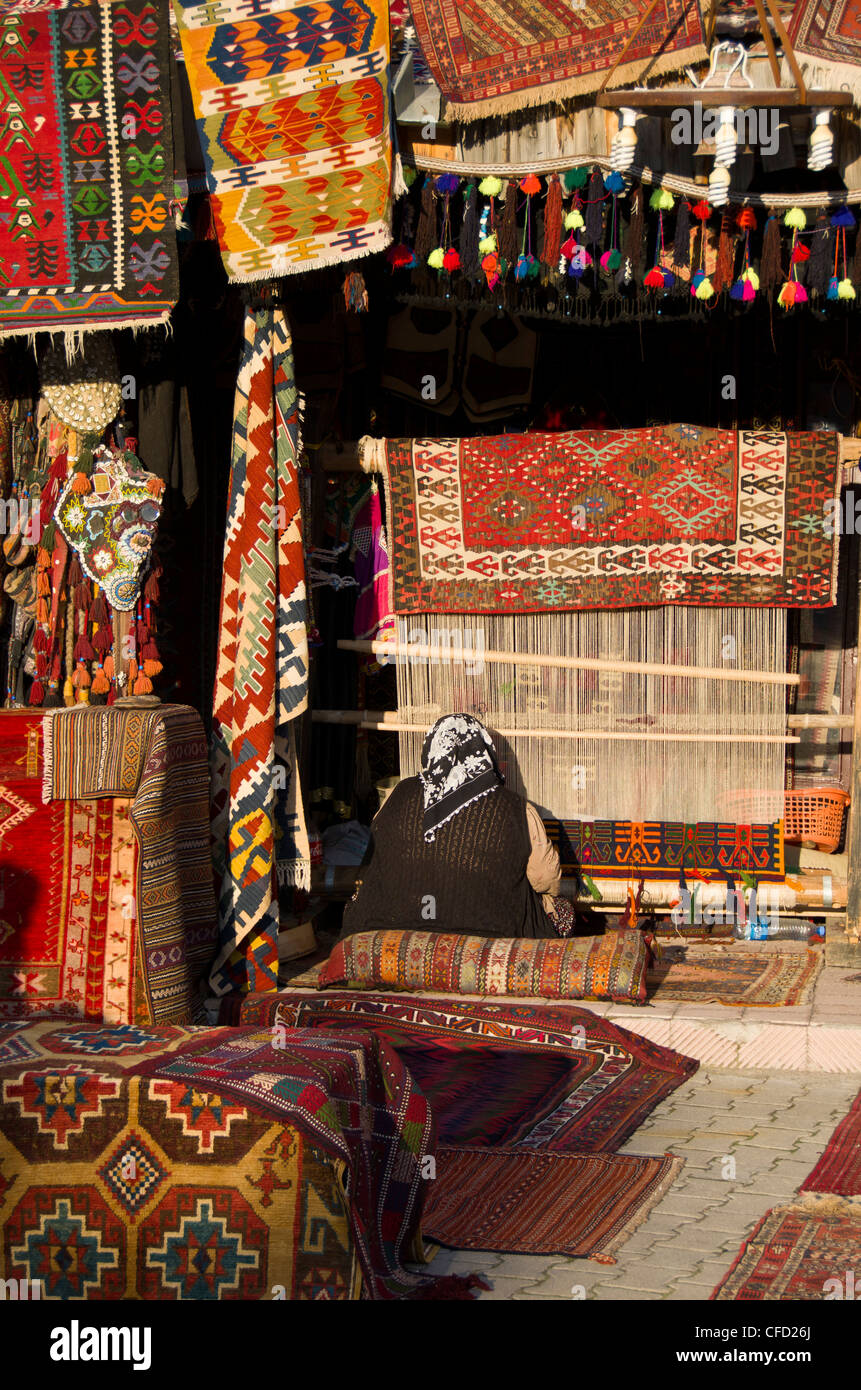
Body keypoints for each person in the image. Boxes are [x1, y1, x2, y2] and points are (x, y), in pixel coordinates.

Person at [340, 713, 577, 940]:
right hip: (492, 932)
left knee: (357, 902)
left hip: (392, 925)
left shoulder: (399, 795)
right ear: (485, 754)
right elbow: (546, 879)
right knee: (562, 911)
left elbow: (376, 856)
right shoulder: (514, 807)